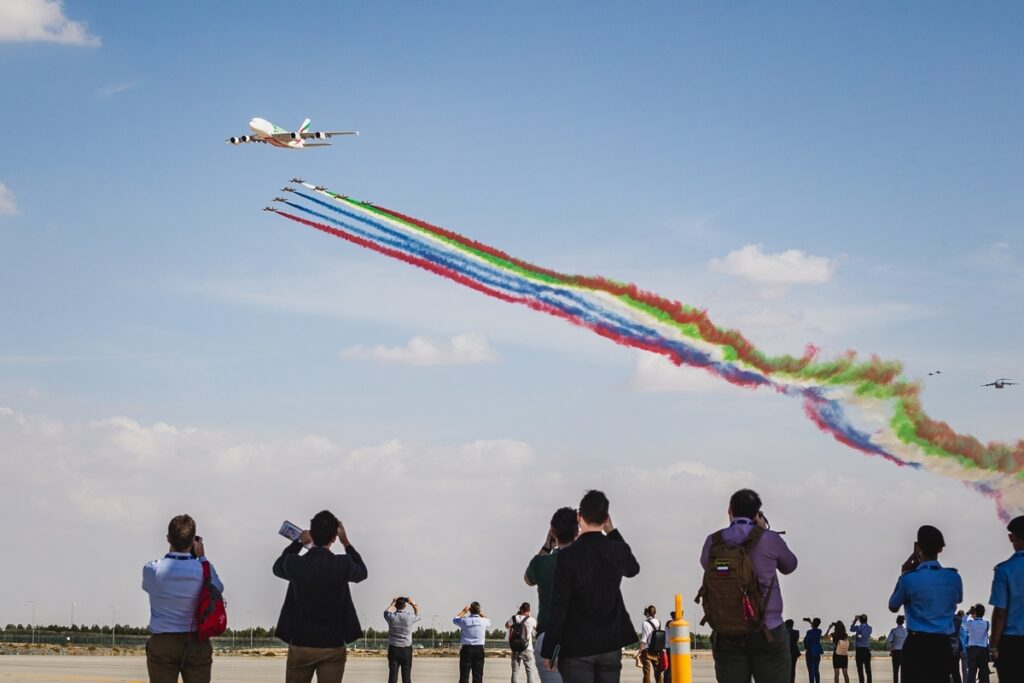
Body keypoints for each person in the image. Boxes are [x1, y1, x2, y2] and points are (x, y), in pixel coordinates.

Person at [698, 489, 798, 683]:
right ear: (756, 513)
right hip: (767, 630)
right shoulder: (769, 539)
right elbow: (790, 565)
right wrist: (764, 529)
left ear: (730, 510)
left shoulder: (714, 541)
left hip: (726, 633)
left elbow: (706, 567)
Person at [540, 489, 640, 682]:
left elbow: (559, 606)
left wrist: (549, 649)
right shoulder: (616, 549)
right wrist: (612, 531)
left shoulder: (567, 557)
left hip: (576, 648)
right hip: (610, 645)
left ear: (579, 517)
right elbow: (633, 568)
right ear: (606, 518)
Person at [273, 510, 367, 683]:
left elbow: (277, 567)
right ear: (333, 538)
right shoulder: (343, 564)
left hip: (301, 642)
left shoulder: (295, 563)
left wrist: (298, 542)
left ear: (312, 534)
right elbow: (362, 572)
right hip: (332, 644)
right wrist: (345, 542)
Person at [142, 514, 224, 683]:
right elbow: (218, 588)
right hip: (196, 640)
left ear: (168, 539)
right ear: (194, 540)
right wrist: (201, 557)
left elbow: (146, 587)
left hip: (163, 641)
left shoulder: (152, 569)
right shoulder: (203, 569)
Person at [887, 524, 963, 683]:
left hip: (916, 645)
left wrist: (903, 574)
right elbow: (958, 599)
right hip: (942, 645)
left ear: (918, 547)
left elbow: (893, 606)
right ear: (940, 549)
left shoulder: (909, 579)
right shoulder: (953, 577)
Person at [525, 506, 579, 683]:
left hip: (548, 639)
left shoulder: (541, 563)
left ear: (554, 532)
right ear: (577, 531)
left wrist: (548, 544)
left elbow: (528, 579)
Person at [990, 515, 1024, 682]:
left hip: (1012, 644)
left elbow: (1000, 613)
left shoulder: (1004, 570)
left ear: (1012, 537)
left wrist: (994, 645)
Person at [384, 596, 421, 683]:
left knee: (393, 674)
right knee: (406, 675)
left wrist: (392, 604)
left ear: (396, 606)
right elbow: (418, 614)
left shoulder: (391, 617)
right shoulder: (409, 617)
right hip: (406, 649)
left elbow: (386, 612)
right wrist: (412, 603)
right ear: (404, 606)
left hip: (393, 649)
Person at [454, 602, 491, 683]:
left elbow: (455, 619)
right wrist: (480, 612)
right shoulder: (483, 621)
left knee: (464, 675)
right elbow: (488, 620)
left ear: (470, 610)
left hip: (466, 649)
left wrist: (464, 611)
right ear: (479, 610)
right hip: (479, 649)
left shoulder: (464, 621)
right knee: (478, 675)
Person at [505, 602, 538, 683]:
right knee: (529, 671)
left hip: (515, 647)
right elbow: (538, 628)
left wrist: (516, 615)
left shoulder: (514, 618)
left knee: (515, 671)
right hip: (527, 647)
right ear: (529, 610)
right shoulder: (531, 620)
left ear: (521, 609)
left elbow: (506, 625)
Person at [965, 604, 990, 683]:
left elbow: (962, 621)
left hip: (972, 650)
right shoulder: (987, 623)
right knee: (984, 673)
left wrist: (968, 613)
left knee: (971, 673)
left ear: (974, 612)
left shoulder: (970, 623)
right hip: (983, 650)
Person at [638, 605, 663, 683]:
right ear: (655, 612)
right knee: (658, 672)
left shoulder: (645, 623)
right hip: (656, 650)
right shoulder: (658, 622)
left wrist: (640, 651)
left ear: (648, 613)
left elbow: (644, 639)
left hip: (647, 651)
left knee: (647, 672)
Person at [848, 615, 872, 683]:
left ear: (860, 620)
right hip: (866, 650)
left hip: (859, 651)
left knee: (860, 670)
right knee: (868, 670)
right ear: (866, 620)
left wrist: (855, 620)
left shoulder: (858, 628)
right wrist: (863, 620)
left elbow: (851, 629)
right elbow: (866, 625)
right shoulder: (870, 628)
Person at [884, 615, 906, 683]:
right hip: (904, 653)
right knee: (904, 671)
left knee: (895, 671)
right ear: (903, 622)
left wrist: (890, 649)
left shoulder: (893, 631)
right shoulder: (906, 631)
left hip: (896, 652)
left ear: (897, 622)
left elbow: (888, 641)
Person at [802, 618, 824, 683]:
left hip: (810, 652)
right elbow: (815, 628)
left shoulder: (809, 632)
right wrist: (810, 622)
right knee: (816, 670)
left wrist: (806, 647)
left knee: (811, 671)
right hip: (817, 652)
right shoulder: (819, 631)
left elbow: (805, 640)